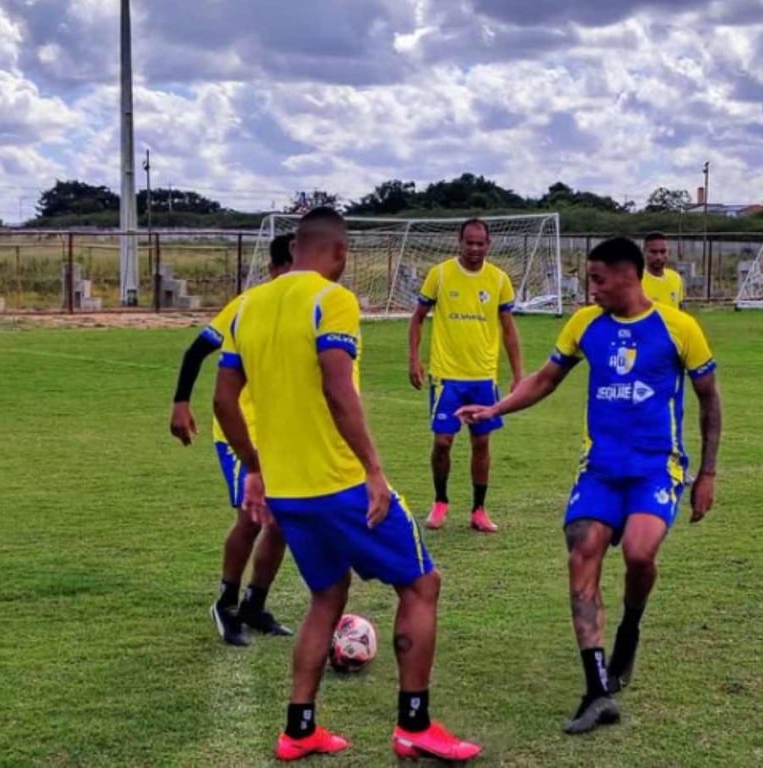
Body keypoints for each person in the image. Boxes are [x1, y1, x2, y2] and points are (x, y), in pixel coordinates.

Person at [214, 207, 481, 763]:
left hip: (288, 490)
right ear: (339, 253)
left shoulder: (248, 307)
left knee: (327, 596)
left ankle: (300, 728)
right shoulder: (332, 299)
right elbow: (340, 389)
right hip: (339, 483)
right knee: (422, 585)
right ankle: (414, 725)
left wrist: (255, 468)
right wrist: (375, 472)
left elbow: (222, 401)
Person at [457, 236, 721, 735]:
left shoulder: (679, 328)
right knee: (583, 548)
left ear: (629, 275)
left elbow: (710, 400)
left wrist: (706, 473)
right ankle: (597, 691)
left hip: (654, 469)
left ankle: (630, 629)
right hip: (599, 470)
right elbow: (544, 379)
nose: (590, 287)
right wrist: (496, 408)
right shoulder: (584, 324)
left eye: (598, 278)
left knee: (641, 555)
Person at [169, 233, 295, 646]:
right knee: (253, 515)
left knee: (282, 519)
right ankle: (225, 602)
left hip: (283, 432)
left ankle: (255, 605)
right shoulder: (247, 306)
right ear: (281, 265)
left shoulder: (306, 307)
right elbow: (194, 352)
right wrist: (181, 404)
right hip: (240, 431)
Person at [407, 218, 524, 533]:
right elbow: (417, 319)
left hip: (483, 376)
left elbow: (509, 329)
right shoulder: (440, 274)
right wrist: (414, 360)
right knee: (443, 441)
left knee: (481, 442)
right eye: (469, 242)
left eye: (480, 243)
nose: (474, 248)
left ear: (489, 244)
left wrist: (518, 374)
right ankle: (441, 501)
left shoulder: (498, 279)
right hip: (446, 375)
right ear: (459, 242)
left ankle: (478, 510)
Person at [641, 232, 685, 309]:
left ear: (668, 252)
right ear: (644, 252)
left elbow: (679, 309)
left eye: (663, 251)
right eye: (653, 252)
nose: (659, 257)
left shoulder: (676, 278)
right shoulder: (635, 281)